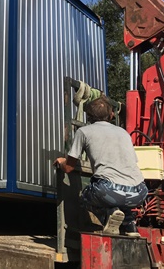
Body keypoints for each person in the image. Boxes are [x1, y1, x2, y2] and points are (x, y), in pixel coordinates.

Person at [54, 97, 148, 236]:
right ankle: (130, 225)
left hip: (109, 190)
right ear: (111, 115)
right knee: (119, 197)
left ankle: (110, 213)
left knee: (86, 197)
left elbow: (68, 168)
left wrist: (62, 161)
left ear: (89, 116)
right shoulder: (124, 133)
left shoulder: (84, 132)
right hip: (139, 192)